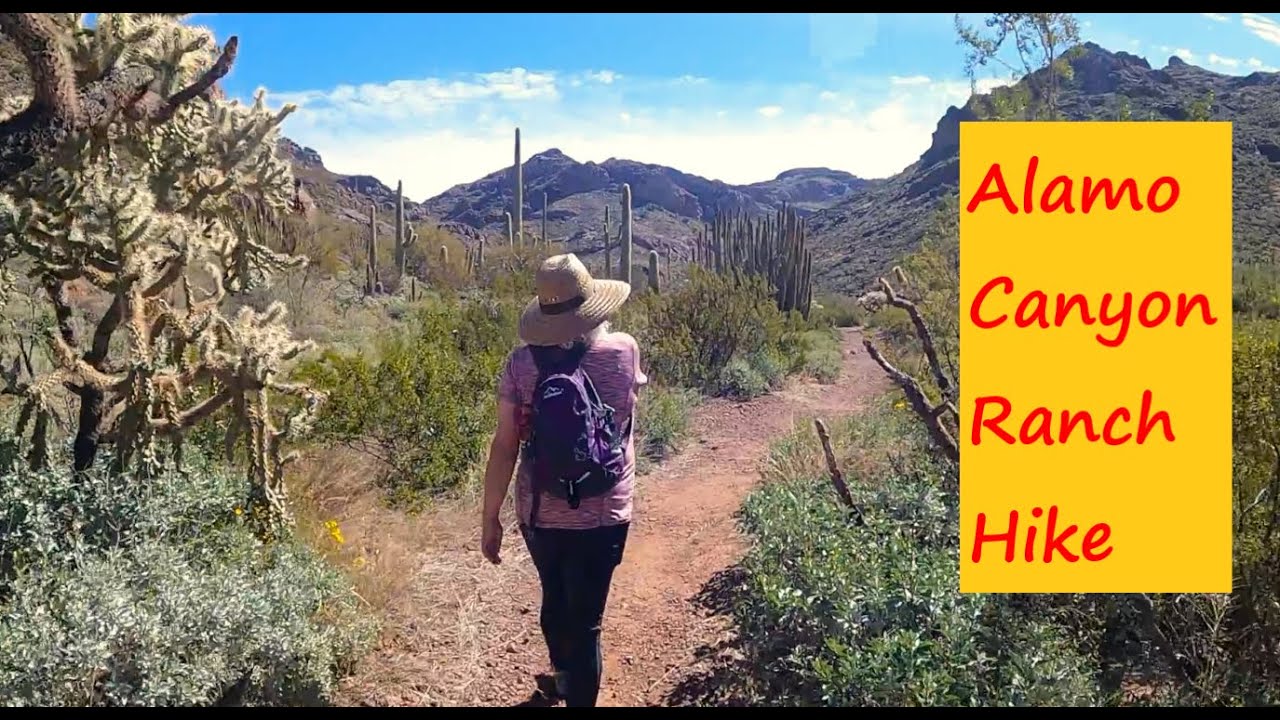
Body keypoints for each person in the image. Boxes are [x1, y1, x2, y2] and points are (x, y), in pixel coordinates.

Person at [480, 253, 646, 707]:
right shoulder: (624, 351)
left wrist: (489, 516)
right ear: (591, 303)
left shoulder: (520, 364)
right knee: (587, 620)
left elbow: (505, 444)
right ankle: (576, 690)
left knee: (554, 601)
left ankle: (563, 676)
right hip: (606, 511)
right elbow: (628, 408)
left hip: (541, 511)